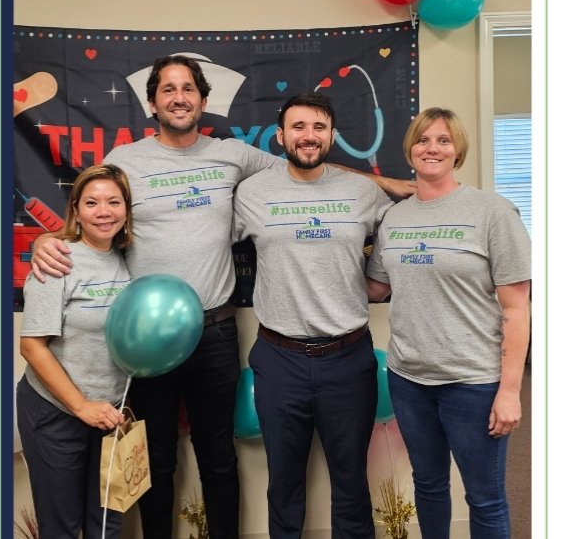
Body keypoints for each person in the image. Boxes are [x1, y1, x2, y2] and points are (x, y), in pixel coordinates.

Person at [30, 55, 414, 538]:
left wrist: (388, 183)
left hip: (213, 329)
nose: (178, 97)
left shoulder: (234, 155)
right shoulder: (124, 162)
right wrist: (51, 239)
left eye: (188, 88)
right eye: (167, 90)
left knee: (217, 455)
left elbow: (309, 166)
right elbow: (93, 210)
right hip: (146, 338)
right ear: (152, 103)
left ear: (203, 100)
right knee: (157, 458)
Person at [366, 107, 531, 539]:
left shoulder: (493, 212)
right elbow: (377, 288)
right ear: (410, 148)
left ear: (457, 151)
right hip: (410, 378)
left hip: (472, 382)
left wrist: (510, 391)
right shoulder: (394, 219)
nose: (432, 148)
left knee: (485, 497)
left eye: (443, 140)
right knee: (429, 484)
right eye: (423, 139)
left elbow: (517, 307)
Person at [234, 92, 391, 538]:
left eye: (319, 127)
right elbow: (198, 239)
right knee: (283, 484)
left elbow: (398, 239)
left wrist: (374, 279)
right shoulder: (251, 193)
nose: (309, 136)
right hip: (279, 358)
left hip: (349, 358)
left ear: (333, 135)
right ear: (280, 136)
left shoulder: (363, 192)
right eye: (298, 127)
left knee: (351, 482)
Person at [18, 163, 134, 539]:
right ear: (76, 211)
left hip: (111, 413)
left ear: (127, 210)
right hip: (57, 411)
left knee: (107, 524)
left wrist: (103, 408)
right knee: (62, 528)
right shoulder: (58, 261)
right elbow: (32, 346)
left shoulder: (126, 260)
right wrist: (81, 406)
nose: (104, 211)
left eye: (114, 202)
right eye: (92, 202)